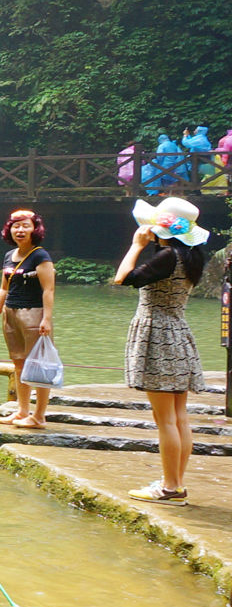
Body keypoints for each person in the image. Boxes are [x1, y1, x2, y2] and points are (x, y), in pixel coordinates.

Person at [114, 197, 210, 505]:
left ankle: (169, 487)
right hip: (179, 333)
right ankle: (176, 483)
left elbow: (123, 278)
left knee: (165, 419)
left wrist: (136, 244)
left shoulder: (167, 256)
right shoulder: (191, 255)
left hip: (157, 335)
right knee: (179, 417)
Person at [0, 210, 55, 429]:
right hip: (11, 312)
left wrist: (47, 318)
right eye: (16, 226)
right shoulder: (9, 256)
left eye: (25, 225)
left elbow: (48, 289)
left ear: (35, 229)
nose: (20, 230)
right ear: (9, 230)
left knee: (39, 365)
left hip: (33, 312)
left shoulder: (40, 256)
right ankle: (22, 411)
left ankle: (39, 416)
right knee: (19, 362)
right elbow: (3, 288)